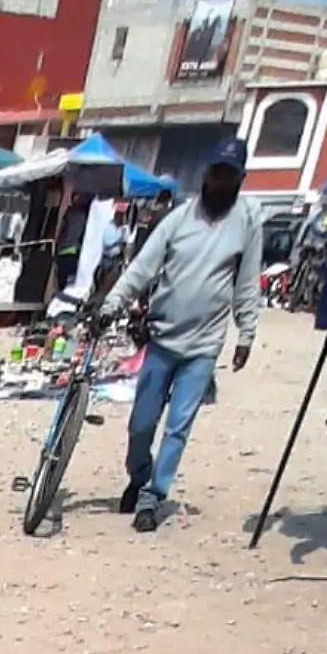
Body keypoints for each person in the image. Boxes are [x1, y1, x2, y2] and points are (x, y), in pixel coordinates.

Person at [101, 138, 261, 533]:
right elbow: (142, 268)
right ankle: (138, 476)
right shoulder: (177, 220)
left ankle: (152, 497)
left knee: (178, 427)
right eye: (216, 173)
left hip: (203, 348)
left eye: (229, 175)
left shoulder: (247, 223)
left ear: (240, 179)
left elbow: (247, 284)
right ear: (206, 174)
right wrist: (112, 303)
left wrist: (246, 334)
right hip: (162, 340)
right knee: (141, 424)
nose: (220, 182)